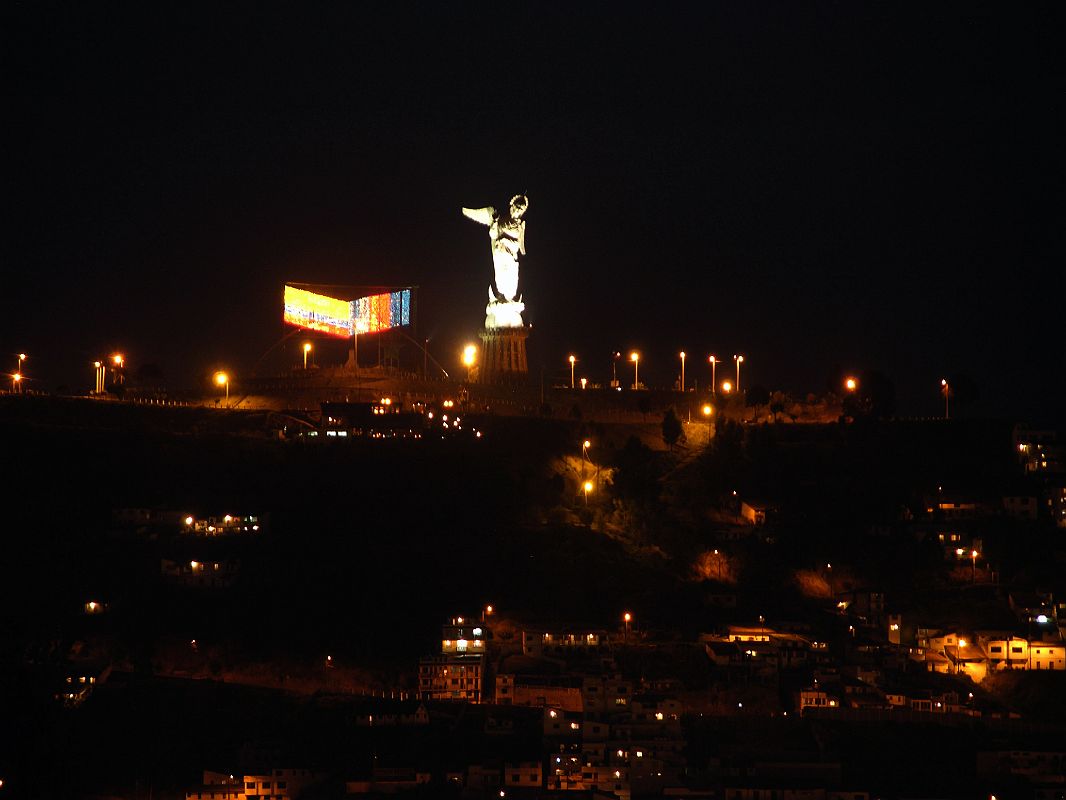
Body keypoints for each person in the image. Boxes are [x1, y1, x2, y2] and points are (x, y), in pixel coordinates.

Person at [462, 194, 528, 303]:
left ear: (522, 211)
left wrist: (504, 240)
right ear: (511, 206)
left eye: (519, 209)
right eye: (515, 207)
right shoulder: (502, 220)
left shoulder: (519, 226)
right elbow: (493, 234)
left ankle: (509, 299)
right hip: (500, 254)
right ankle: (501, 298)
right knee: (500, 280)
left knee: (510, 283)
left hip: (510, 257)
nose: (516, 211)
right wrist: (495, 222)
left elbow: (517, 246)